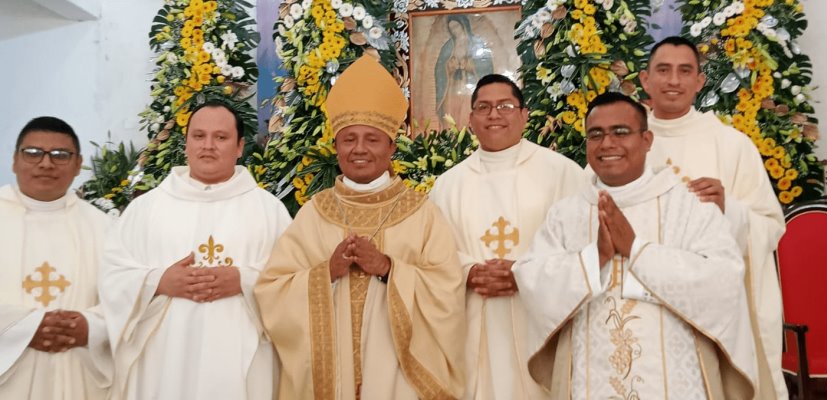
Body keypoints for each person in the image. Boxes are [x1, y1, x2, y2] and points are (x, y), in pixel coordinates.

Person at [514, 92, 758, 399]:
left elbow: (723, 279)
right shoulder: (566, 213)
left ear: (646, 139)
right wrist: (595, 257)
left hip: (674, 381)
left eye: (620, 132)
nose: (607, 144)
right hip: (590, 379)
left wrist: (636, 249)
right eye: (596, 134)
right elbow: (532, 278)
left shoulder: (689, 206)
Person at [255, 54, 466, 400]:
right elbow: (271, 292)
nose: (359, 149)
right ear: (336, 146)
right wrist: (326, 273)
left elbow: (448, 295)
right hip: (330, 379)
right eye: (349, 139)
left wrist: (387, 268)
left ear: (391, 146)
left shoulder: (422, 214)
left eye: (372, 139)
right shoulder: (314, 213)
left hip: (400, 380)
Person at [99, 101, 291, 400]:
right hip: (164, 362)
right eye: (198, 136)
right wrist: (158, 282)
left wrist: (244, 280)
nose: (208, 146)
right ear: (186, 143)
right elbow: (111, 276)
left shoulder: (269, 211)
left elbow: (293, 283)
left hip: (242, 361)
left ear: (240, 146)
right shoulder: (146, 209)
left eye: (221, 137)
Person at [639, 35, 787, 399]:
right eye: (663, 70)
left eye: (684, 71)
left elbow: (770, 227)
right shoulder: (621, 140)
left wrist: (729, 209)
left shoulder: (732, 145)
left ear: (699, 81)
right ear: (645, 79)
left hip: (714, 311)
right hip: (641, 302)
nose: (673, 80)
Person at [429, 74, 584, 400]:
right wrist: (468, 271)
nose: (494, 115)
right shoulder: (448, 184)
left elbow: (584, 250)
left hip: (540, 324)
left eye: (505, 106)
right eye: (483, 107)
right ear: (470, 119)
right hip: (472, 324)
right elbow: (431, 251)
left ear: (524, 114)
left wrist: (524, 274)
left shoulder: (563, 172)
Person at [0, 116, 113, 399]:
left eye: (61, 155)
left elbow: (126, 298)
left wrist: (90, 327)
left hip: (79, 373)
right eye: (33, 153)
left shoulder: (105, 228)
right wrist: (25, 329)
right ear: (14, 160)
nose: (46, 163)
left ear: (78, 164)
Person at [435, 15, 494, 130]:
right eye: (451, 28)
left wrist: (470, 65)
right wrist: (450, 66)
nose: (454, 30)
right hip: (452, 87)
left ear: (463, 24)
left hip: (472, 87)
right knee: (452, 113)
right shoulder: (448, 46)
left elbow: (486, 65)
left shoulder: (477, 43)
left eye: (456, 26)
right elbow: (440, 67)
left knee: (467, 112)